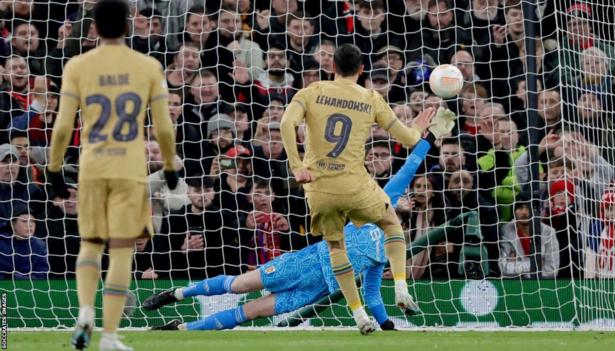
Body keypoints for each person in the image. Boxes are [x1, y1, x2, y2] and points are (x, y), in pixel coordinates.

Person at [143, 135, 441, 332]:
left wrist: (387, 326)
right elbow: (407, 170)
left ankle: (181, 330)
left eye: (411, 201)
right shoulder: (377, 208)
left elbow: (373, 294)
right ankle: (176, 293)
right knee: (240, 285)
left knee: (252, 312)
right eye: (404, 196)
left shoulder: (390, 248)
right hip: (305, 263)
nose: (407, 198)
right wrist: (427, 140)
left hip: (315, 290)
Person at [279, 43, 454, 334]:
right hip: (355, 185)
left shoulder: (309, 92)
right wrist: (419, 125)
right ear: (362, 71)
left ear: (331, 67)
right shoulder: (370, 97)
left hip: (319, 188)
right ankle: (400, 286)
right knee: (391, 225)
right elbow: (410, 139)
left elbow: (286, 122)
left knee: (336, 247)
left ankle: (359, 314)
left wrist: (297, 165)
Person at [46, 1, 178, 350]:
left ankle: (85, 311)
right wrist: (169, 165)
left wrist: (54, 168)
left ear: (94, 27)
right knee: (121, 251)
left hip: (92, 167)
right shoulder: (147, 66)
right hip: (130, 170)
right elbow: (164, 128)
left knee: (89, 245)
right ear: (128, 25)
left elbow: (62, 127)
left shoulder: (78, 65)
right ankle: (108, 336)